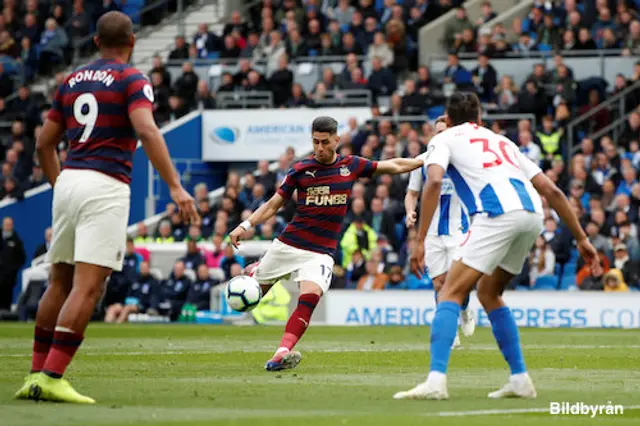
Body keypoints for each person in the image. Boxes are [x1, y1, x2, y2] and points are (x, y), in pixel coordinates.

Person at [14, 11, 199, 404]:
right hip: (105, 184)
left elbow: (44, 143)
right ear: (132, 42)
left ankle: (34, 373)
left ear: (96, 43)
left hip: (69, 180)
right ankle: (52, 376)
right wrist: (176, 186)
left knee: (58, 281)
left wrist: (60, 184)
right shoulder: (132, 78)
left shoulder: (71, 80)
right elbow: (146, 129)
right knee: (88, 286)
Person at [394, 92, 599, 400]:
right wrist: (582, 237)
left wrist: (419, 240)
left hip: (495, 213)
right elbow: (551, 189)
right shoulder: (503, 141)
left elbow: (433, 181)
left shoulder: (443, 138)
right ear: (479, 119)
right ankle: (520, 379)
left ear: (447, 121)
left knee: (449, 291)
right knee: (489, 293)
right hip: (531, 214)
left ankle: (435, 382)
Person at [229, 116, 423, 371]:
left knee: (309, 299)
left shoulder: (350, 165)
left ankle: (281, 352)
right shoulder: (300, 170)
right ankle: (257, 271)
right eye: (315, 142)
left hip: (320, 252)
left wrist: (424, 160)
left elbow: (394, 165)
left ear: (336, 140)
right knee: (254, 297)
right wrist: (245, 225)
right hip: (289, 243)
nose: (319, 148)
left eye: (324, 142)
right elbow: (274, 204)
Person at [404, 116, 475, 349]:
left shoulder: (463, 160)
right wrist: (409, 211)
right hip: (432, 231)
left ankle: (465, 308)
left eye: (444, 131)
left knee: (456, 282)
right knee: (438, 283)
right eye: (437, 131)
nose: (440, 135)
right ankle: (449, 331)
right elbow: (412, 193)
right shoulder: (423, 161)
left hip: (458, 228)